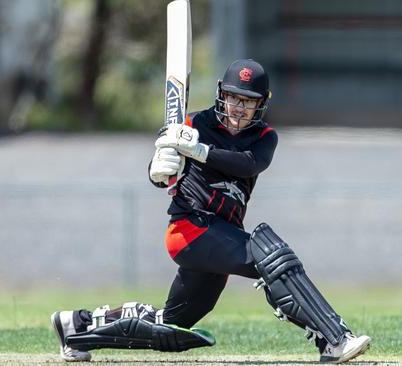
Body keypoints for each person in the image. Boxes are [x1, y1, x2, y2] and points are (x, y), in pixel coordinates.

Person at [50, 59, 371, 364]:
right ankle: (333, 339)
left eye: (248, 101)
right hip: (191, 229)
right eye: (234, 98)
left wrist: (199, 150)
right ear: (222, 95)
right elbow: (160, 173)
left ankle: (76, 327)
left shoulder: (263, 137)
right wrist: (159, 167)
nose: (239, 107)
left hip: (219, 239)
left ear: (261, 104)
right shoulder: (192, 124)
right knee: (271, 255)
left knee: (171, 323)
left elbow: (248, 164)